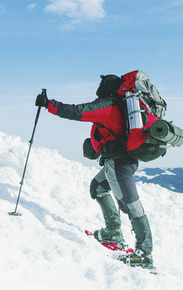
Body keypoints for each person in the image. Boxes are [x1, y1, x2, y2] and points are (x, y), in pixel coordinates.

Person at [35, 74, 154, 269]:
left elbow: (77, 111)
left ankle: (144, 254)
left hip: (118, 164)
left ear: (107, 86)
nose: (98, 87)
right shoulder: (121, 106)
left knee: (132, 206)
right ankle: (113, 233)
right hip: (122, 161)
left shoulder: (108, 105)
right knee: (97, 187)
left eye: (101, 84)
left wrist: (49, 104)